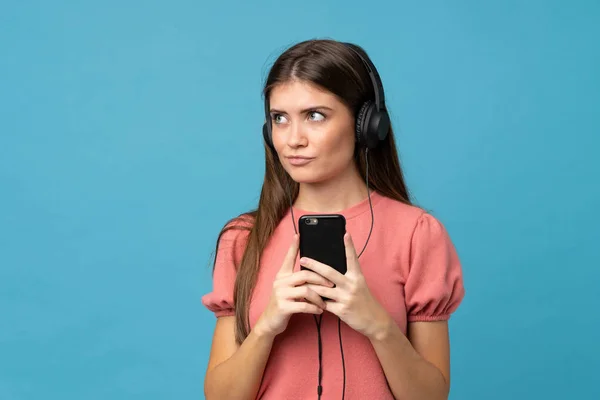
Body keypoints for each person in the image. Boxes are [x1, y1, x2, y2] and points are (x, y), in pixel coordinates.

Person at [201, 39, 465, 400]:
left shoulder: (417, 234)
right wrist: (267, 326)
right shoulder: (244, 237)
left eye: (315, 115)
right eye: (279, 119)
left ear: (366, 126)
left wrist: (378, 325)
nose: (293, 139)